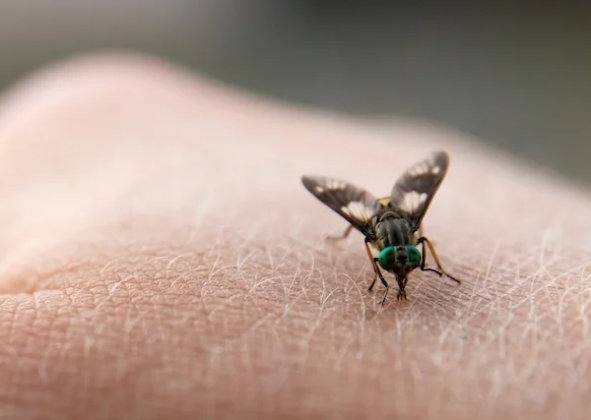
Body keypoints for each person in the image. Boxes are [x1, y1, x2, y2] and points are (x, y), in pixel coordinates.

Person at [0, 52, 585, 419]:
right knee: (363, 226)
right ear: (381, 249)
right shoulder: (369, 231)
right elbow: (372, 231)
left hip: (398, 208)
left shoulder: (413, 231)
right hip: (375, 210)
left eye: (401, 258)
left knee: (413, 235)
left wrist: (439, 268)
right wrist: (377, 273)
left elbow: (417, 228)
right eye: (395, 258)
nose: (403, 259)